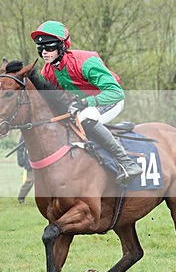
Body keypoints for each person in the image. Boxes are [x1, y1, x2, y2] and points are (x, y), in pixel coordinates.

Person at [29, 20, 143, 182]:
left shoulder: (85, 62)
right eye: (41, 49)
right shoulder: (47, 72)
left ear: (62, 46)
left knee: (85, 118)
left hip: (108, 100)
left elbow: (117, 93)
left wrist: (86, 102)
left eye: (49, 47)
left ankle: (127, 163)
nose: (45, 53)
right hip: (83, 106)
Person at [16, 135, 34, 204]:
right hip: (30, 162)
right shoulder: (25, 133)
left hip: (43, 160)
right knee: (30, 181)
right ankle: (21, 198)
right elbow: (20, 148)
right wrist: (20, 159)